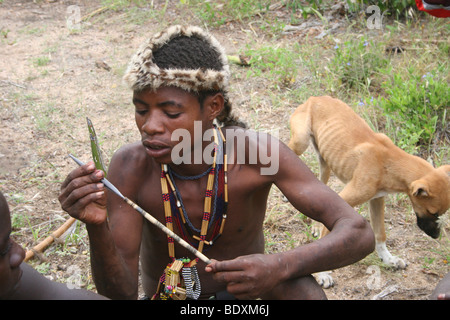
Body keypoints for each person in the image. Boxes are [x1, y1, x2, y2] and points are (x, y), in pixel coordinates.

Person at [58, 25, 375, 300]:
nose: (150, 126)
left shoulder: (257, 154)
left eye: (170, 113)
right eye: (141, 110)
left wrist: (280, 265)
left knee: (297, 289)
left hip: (245, 301)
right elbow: (121, 294)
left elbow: (358, 233)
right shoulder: (130, 167)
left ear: (213, 106)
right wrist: (97, 227)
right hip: (170, 296)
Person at [0, 191, 107, 300]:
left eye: (9, 240)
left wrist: (97, 228)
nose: (20, 253)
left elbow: (53, 294)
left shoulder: (14, 277)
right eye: (3, 250)